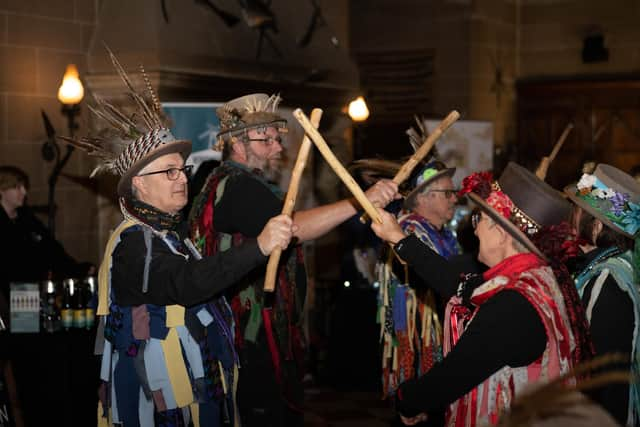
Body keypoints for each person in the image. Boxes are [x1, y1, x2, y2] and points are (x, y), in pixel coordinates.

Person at [65, 54, 294, 426]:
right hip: (155, 403)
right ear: (138, 182)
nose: (182, 178)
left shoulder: (169, 232)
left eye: (182, 169)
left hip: (192, 393)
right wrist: (260, 247)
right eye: (169, 171)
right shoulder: (132, 244)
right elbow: (186, 283)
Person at [189, 93, 399, 426]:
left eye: (276, 139)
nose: (277, 148)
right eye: (266, 140)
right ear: (237, 145)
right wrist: (362, 201)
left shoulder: (225, 181)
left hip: (240, 330)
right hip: (248, 334)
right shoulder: (241, 187)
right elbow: (295, 229)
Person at [370, 164, 578, 427]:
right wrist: (397, 237)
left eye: (480, 219)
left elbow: (452, 377)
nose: (475, 229)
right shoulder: (537, 277)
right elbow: (458, 285)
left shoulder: (515, 302)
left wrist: (406, 400)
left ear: (501, 234)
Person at [564, 164, 640, 426]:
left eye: (577, 210)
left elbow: (598, 379)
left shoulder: (607, 282)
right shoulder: (613, 268)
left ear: (595, 225)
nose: (570, 217)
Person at [0, 166, 91, 299]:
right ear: (2, 190)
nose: (24, 192)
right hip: (8, 294)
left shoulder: (26, 218)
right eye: (17, 187)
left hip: (30, 291)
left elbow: (51, 248)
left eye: (24, 187)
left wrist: (76, 269)